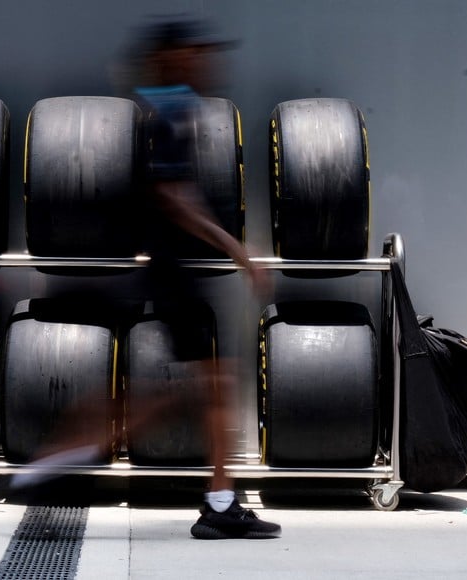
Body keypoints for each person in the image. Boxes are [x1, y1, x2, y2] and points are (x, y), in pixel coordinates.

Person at [129, 18, 281, 540]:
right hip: (172, 270)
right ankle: (60, 456)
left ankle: (220, 501)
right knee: (209, 389)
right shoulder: (169, 110)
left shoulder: (171, 106)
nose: (206, 61)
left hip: (176, 269)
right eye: (195, 53)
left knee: (215, 386)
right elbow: (174, 199)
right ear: (172, 58)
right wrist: (238, 251)